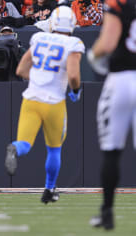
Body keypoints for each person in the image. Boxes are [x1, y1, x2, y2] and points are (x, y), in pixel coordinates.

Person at [4, 6, 84, 203]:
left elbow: (21, 69)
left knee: (24, 144)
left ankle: (13, 148)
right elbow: (73, 75)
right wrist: (75, 90)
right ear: (72, 24)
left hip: (31, 99)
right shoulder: (73, 42)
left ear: (52, 23)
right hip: (54, 102)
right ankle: (49, 190)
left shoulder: (39, 38)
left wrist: (41, 77)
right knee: (54, 149)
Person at [87, 0, 136, 230]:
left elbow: (107, 43)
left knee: (112, 149)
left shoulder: (119, 2)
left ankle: (107, 213)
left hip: (121, 81)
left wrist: (93, 55)